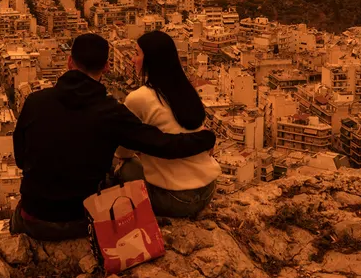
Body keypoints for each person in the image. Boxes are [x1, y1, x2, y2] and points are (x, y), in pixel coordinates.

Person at [11, 33, 217, 241]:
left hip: (33, 219)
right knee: (116, 170)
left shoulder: (35, 102)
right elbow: (163, 145)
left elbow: (21, 159)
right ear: (107, 67)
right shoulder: (111, 113)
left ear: (69, 61)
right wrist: (205, 139)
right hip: (83, 220)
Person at [116, 30, 221, 218]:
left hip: (175, 200)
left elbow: (123, 151)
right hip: (207, 191)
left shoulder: (138, 98)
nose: (133, 59)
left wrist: (143, 148)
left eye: (138, 54)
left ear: (151, 60)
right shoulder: (187, 91)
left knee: (122, 165)